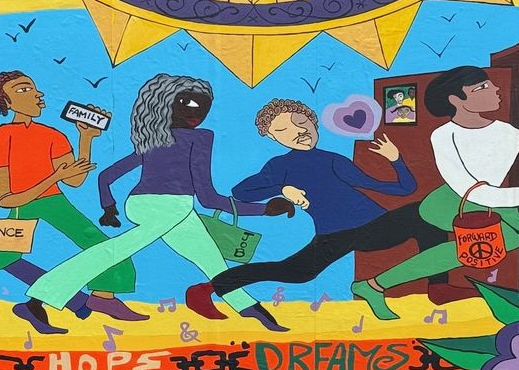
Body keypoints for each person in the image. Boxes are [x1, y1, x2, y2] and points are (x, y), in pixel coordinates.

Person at [23, 73, 292, 331]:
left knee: (210, 258)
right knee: (115, 251)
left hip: (151, 205)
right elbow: (208, 198)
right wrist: (263, 210)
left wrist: (109, 207)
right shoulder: (198, 138)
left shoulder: (152, 140)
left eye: (203, 107)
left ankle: (249, 307)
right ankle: (39, 298)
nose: (196, 112)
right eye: (188, 103)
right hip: (169, 207)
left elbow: (106, 176)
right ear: (166, 103)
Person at [352, 65, 519, 320]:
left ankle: (373, 285)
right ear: (455, 100)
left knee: (486, 245)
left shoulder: (511, 135)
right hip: (451, 202)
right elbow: (468, 187)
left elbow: (488, 184)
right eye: (481, 88)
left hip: (488, 201)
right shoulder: (443, 136)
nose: (495, 89)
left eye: (490, 85)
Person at [185, 99, 449, 317]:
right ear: (274, 138)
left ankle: (439, 287)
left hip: (375, 227)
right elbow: (241, 191)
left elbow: (403, 189)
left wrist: (396, 160)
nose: (298, 132)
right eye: (283, 131)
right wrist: (282, 189)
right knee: (295, 272)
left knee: (425, 216)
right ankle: (206, 288)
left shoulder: (333, 160)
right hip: (333, 235)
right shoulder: (279, 166)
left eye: (301, 123)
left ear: (313, 121)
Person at [0, 71, 143, 332]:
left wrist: (86, 138)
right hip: (22, 202)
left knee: (98, 243)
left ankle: (103, 296)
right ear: (7, 102)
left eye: (34, 89)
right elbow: (1, 196)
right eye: (22, 90)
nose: (36, 94)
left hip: (53, 200)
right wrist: (52, 177)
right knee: (7, 250)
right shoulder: (3, 135)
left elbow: (74, 181)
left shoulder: (53, 135)